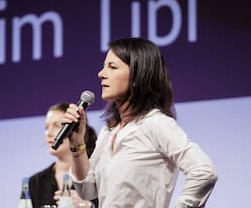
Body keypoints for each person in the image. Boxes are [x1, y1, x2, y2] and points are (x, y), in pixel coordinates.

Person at [62, 37, 218, 208]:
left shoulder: (156, 124)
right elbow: (87, 191)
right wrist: (77, 144)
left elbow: (204, 171)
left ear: (137, 76)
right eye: (104, 66)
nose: (101, 74)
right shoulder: (110, 131)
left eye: (112, 67)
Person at [29, 103, 98, 208]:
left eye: (57, 126)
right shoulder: (37, 182)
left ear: (77, 130)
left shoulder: (98, 176)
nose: (49, 133)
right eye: (46, 127)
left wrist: (88, 206)